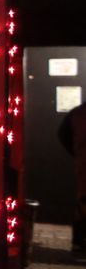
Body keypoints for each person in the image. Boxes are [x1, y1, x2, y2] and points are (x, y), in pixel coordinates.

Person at [57, 102, 86, 253]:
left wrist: (77, 152)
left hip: (83, 162)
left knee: (83, 201)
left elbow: (62, 134)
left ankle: (79, 241)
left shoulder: (76, 113)